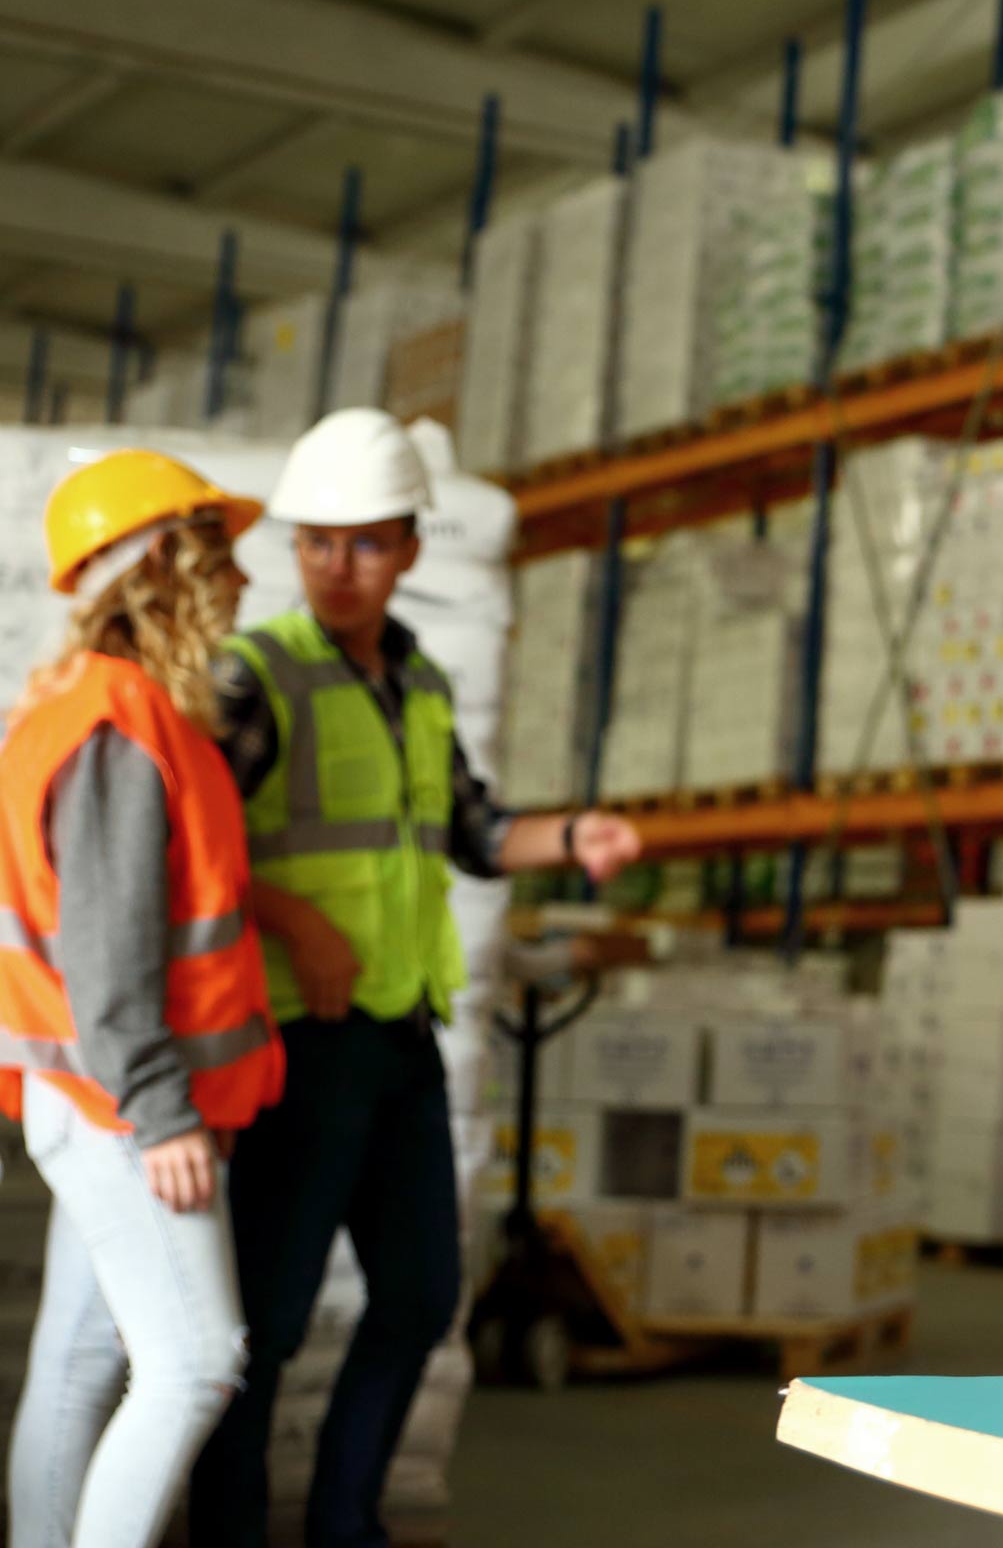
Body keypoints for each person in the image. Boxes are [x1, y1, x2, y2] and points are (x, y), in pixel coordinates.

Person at [186, 411, 644, 1548]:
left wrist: (575, 835)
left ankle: (345, 1522)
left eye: (365, 544)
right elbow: (187, 844)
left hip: (399, 1034)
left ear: (409, 549)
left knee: (423, 1294)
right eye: (316, 543)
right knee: (269, 1318)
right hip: (296, 1039)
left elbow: (476, 831)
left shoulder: (423, 685)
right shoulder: (257, 675)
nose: (338, 568)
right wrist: (294, 920)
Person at [1, 451, 287, 1548]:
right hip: (124, 1104)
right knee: (196, 1361)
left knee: (81, 1359)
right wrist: (165, 1114)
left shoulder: (104, 706)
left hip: (92, 1094)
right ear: (165, 560)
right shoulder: (119, 724)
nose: (242, 580)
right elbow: (108, 959)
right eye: (222, 554)